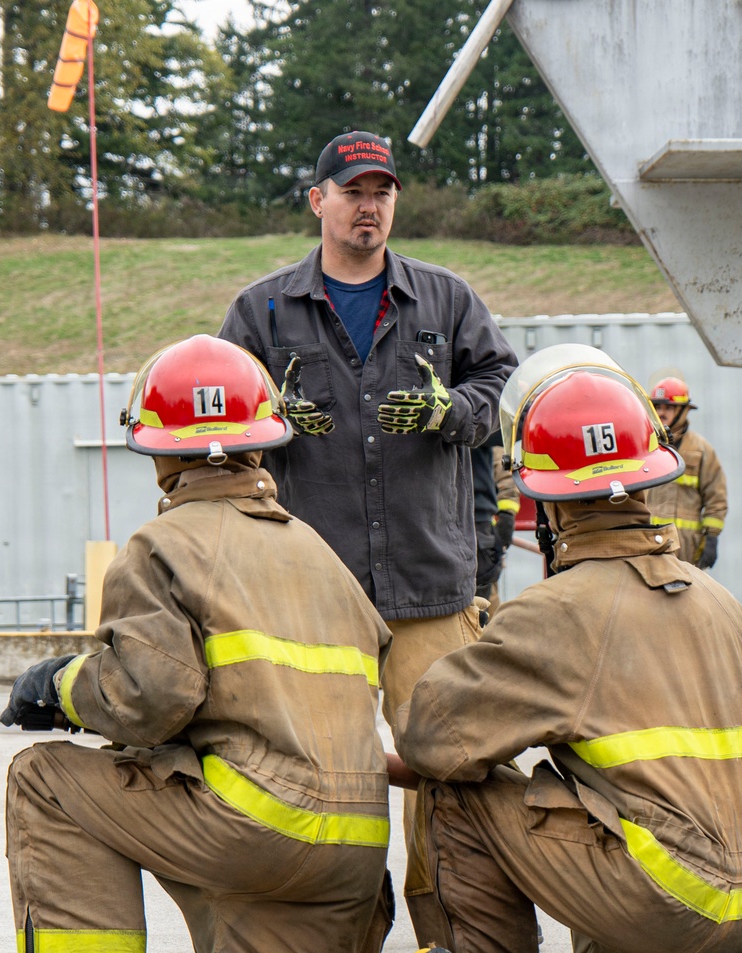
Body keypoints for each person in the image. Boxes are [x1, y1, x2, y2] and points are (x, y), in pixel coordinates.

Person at [394, 345, 742, 953]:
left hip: (667, 904)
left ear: (548, 502)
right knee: (614, 816)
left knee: (456, 787)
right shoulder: (724, 604)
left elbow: (431, 738)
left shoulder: (555, 612)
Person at [0, 335, 393, 953]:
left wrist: (59, 684)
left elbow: (151, 698)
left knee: (44, 779)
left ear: (159, 454)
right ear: (261, 442)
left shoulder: (161, 546)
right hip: (357, 848)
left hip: (255, 828)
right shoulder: (321, 553)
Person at [218, 129, 518, 936]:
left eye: (382, 192)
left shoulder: (446, 301)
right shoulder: (263, 310)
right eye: (353, 191)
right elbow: (220, 417)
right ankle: (341, 932)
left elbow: (498, 381)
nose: (369, 206)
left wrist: (454, 410)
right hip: (311, 596)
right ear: (318, 200)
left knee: (449, 769)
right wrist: (270, 419)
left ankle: (446, 934)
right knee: (322, 775)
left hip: (430, 586)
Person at [645, 375, 727, 569]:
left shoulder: (701, 450)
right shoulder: (645, 446)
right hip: (648, 545)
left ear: (684, 410)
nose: (661, 412)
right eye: (657, 407)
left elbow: (716, 498)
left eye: (668, 407)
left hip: (687, 548)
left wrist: (712, 537)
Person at [473, 432, 520, 617]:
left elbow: (502, 467)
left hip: (479, 539)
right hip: (475, 538)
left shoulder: (478, 426)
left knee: (485, 610)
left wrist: (506, 516)